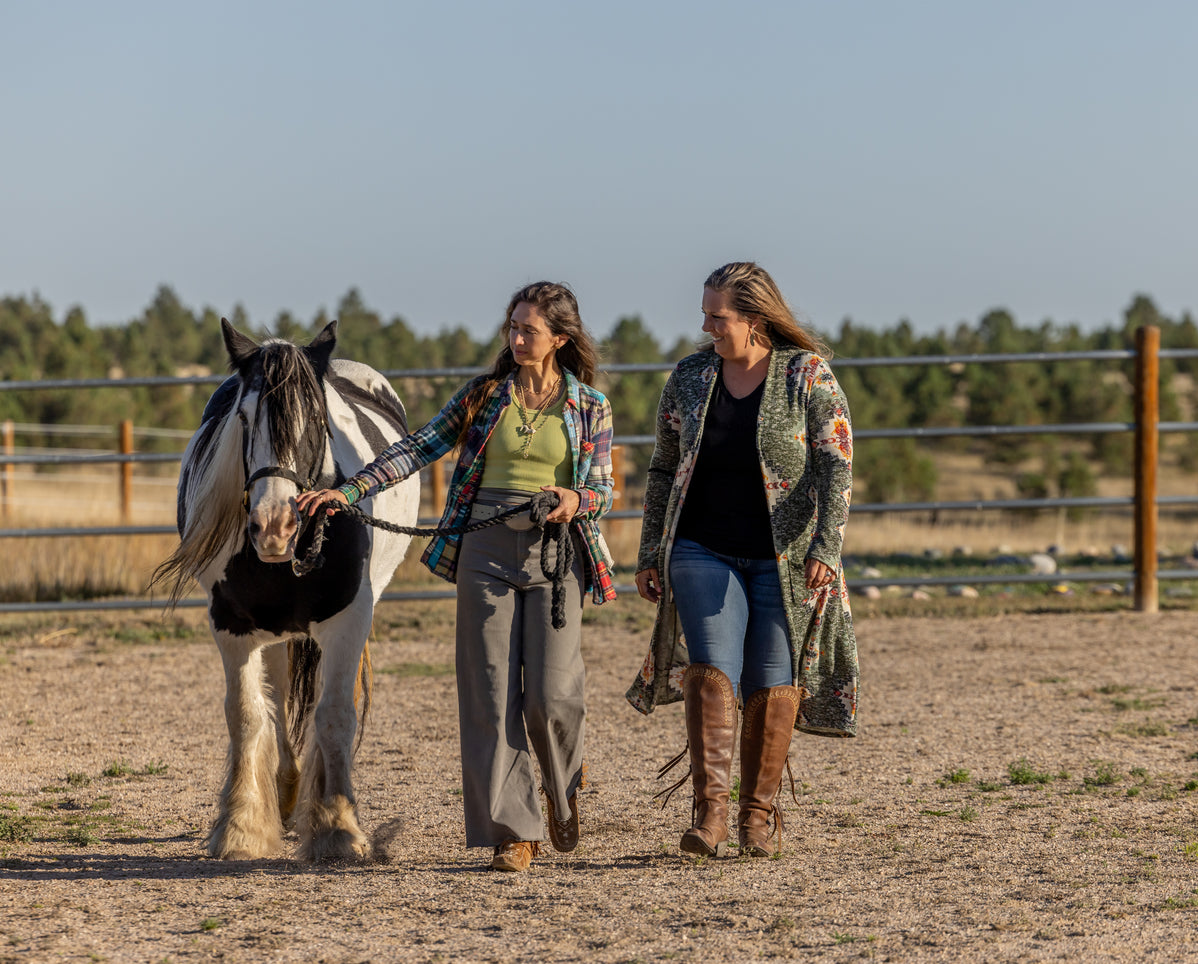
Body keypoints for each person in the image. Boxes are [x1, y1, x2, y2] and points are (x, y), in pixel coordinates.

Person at [298, 281, 615, 873]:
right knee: (489, 693)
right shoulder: (483, 396)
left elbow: (603, 489)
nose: (516, 339)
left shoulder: (589, 406)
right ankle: (513, 832)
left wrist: (577, 499)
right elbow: (416, 448)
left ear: (560, 339)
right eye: (512, 327)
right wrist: (350, 491)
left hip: (555, 553)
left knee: (552, 695)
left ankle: (563, 781)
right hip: (485, 549)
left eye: (529, 330)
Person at [626, 261, 858, 859]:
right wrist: (651, 550)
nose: (706, 327)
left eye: (717, 316)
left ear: (754, 318)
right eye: (704, 315)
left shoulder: (806, 374)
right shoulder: (690, 376)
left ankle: (757, 816)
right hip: (700, 548)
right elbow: (663, 467)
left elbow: (836, 466)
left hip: (785, 558)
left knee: (772, 681)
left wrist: (826, 547)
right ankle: (710, 815)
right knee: (712, 668)